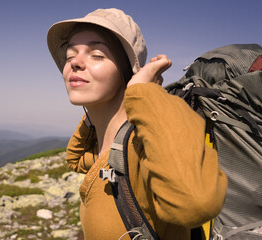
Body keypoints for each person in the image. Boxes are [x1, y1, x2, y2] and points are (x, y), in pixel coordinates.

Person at [46, 8, 228, 240]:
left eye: (97, 55)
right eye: (70, 56)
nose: (75, 63)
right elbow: (75, 160)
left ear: (127, 73)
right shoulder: (108, 150)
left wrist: (143, 91)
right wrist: (94, 116)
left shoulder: (139, 149)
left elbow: (197, 202)